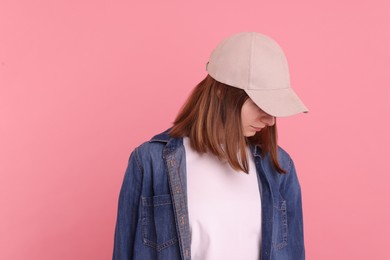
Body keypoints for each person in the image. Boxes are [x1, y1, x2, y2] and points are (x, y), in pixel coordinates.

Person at [113, 31, 308, 260]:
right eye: (260, 104)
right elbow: (124, 253)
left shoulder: (280, 168)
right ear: (220, 91)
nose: (271, 120)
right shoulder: (150, 163)